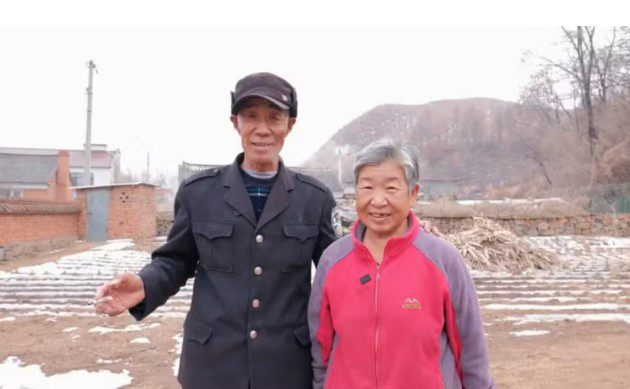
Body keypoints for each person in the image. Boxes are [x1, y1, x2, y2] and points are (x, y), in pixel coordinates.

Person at [94, 72, 337, 389]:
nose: (262, 129)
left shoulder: (314, 199)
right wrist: (143, 284)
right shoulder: (199, 192)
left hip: (286, 366)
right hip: (212, 364)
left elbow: (337, 272)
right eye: (251, 116)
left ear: (289, 125)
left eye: (274, 118)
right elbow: (176, 260)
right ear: (236, 121)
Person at [308, 139, 494, 389]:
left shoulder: (443, 259)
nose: (377, 200)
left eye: (391, 188)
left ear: (413, 194)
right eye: (367, 187)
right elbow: (321, 347)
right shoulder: (333, 261)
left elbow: (470, 347)